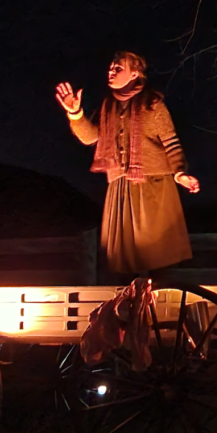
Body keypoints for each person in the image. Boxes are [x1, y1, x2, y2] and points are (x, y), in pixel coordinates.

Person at [55, 52, 200, 275]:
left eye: (118, 68)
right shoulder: (108, 107)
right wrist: (75, 113)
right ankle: (128, 300)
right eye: (110, 68)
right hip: (120, 187)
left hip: (151, 185)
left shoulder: (152, 104)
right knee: (121, 259)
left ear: (134, 74)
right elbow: (91, 137)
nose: (111, 72)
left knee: (153, 254)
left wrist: (179, 172)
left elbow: (171, 142)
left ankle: (157, 297)